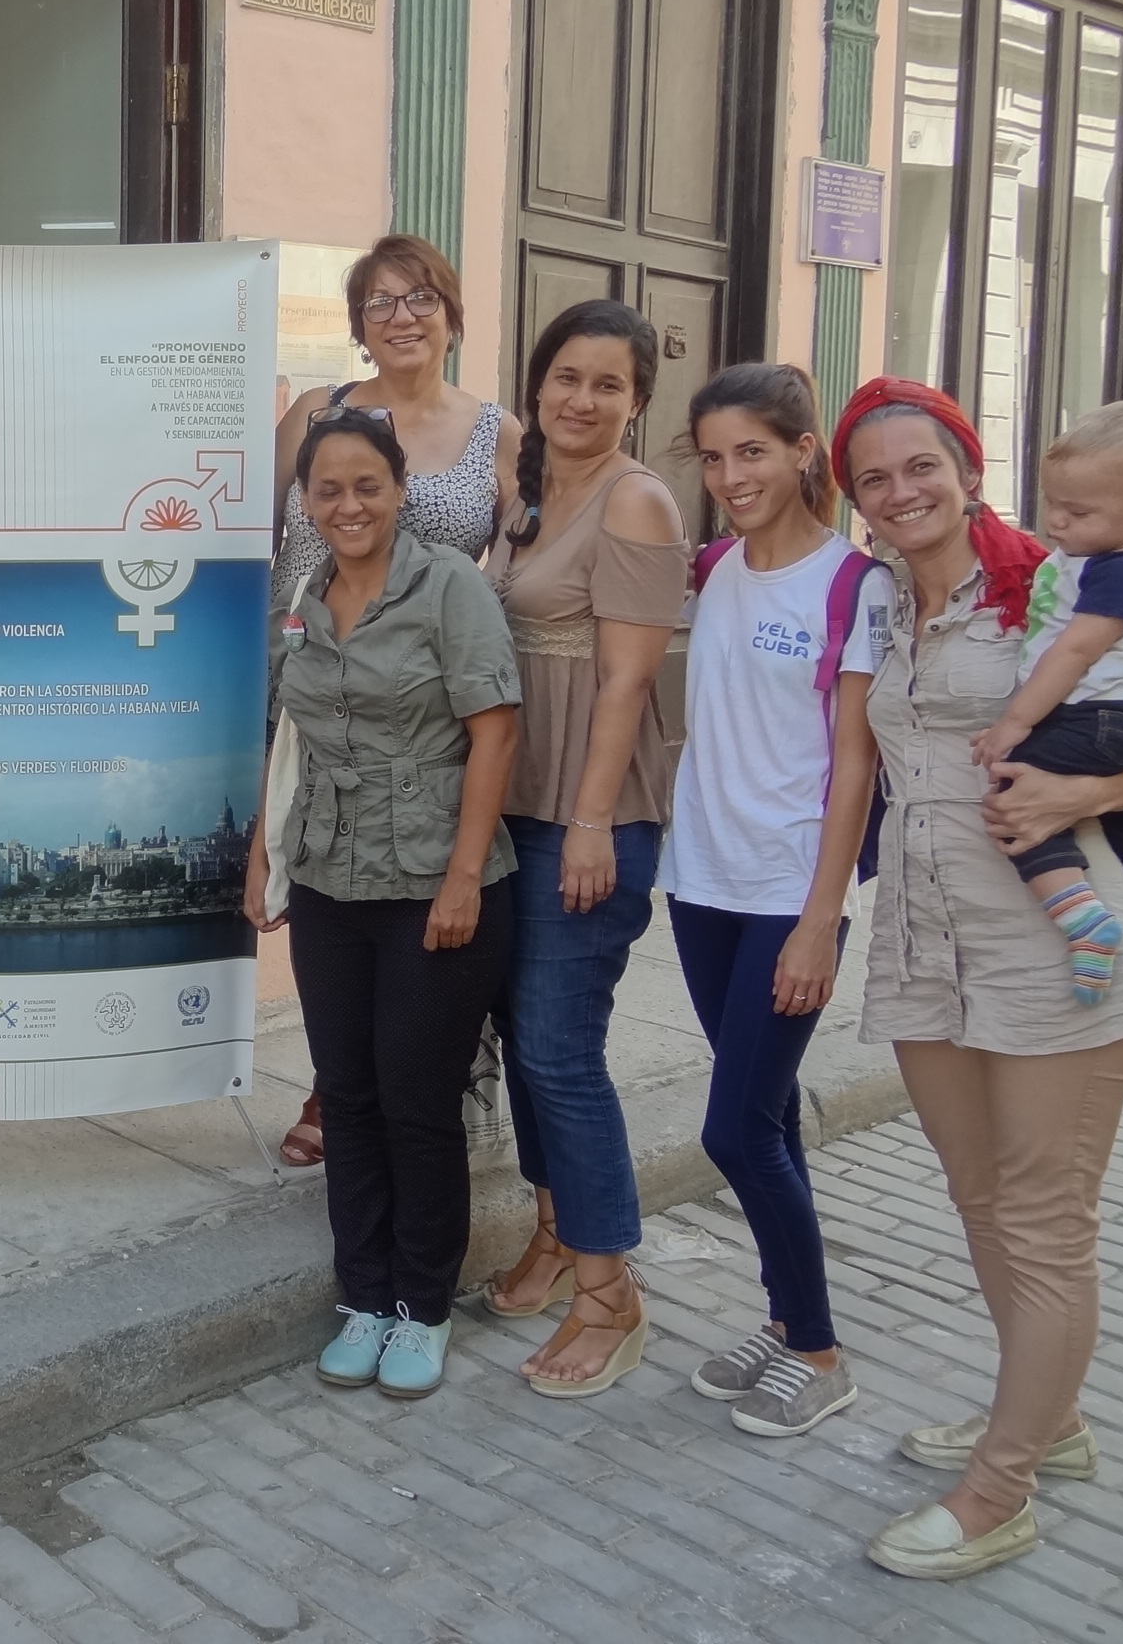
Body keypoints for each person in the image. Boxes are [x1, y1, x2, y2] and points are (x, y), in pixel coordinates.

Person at [833, 377, 1123, 1581]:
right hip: (927, 936)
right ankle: (1042, 1421)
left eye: (921, 468)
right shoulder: (883, 600)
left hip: (1062, 945)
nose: (900, 494)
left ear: (967, 468)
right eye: (873, 477)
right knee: (982, 1202)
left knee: (1048, 1225)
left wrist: (1090, 793)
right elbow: (862, 766)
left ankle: (1001, 1489)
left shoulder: (1058, 586)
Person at [244, 405, 519, 1400]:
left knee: (415, 1103)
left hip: (431, 889)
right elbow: (294, 737)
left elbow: (494, 730)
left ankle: (423, 1307)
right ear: (305, 503)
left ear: (400, 492)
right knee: (347, 1096)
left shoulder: (449, 588)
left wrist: (460, 877)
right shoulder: (306, 597)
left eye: (367, 485)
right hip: (328, 879)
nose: (347, 504)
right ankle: (362, 1296)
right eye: (327, 489)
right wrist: (262, 856)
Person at [663, 364, 890, 1437]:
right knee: (768, 1114)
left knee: (736, 1131)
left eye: (751, 451)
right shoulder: (714, 567)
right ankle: (785, 1315)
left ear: (806, 451)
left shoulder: (855, 585)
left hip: (785, 895)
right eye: (712, 457)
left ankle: (819, 1349)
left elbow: (855, 764)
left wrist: (819, 919)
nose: (729, 475)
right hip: (701, 883)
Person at [267, 234, 522, 1169]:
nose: (401, 316)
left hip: (430, 703)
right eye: (379, 302)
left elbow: (521, 563)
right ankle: (341, 1083)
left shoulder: (497, 432)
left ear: (453, 315)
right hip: (316, 680)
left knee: (430, 902)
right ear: (357, 325)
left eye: (420, 298)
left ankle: (437, 1088)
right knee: (330, 897)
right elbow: (264, 540)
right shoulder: (314, 414)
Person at [479, 298, 689, 1397]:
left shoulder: (638, 501)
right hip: (511, 806)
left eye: (609, 384)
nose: (582, 399)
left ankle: (614, 1292)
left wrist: (596, 821)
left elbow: (625, 679)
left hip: (586, 814)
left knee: (561, 1048)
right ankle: (559, 1232)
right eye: (567, 376)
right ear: (538, 382)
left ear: (637, 402)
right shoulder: (524, 492)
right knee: (524, 1036)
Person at [963, 402, 1123, 1006]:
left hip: (1107, 717)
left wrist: (1013, 724)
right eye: (1051, 503)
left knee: (1010, 792)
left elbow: (1074, 652)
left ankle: (1082, 918)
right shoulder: (1105, 550)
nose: (1055, 523)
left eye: (1076, 512)